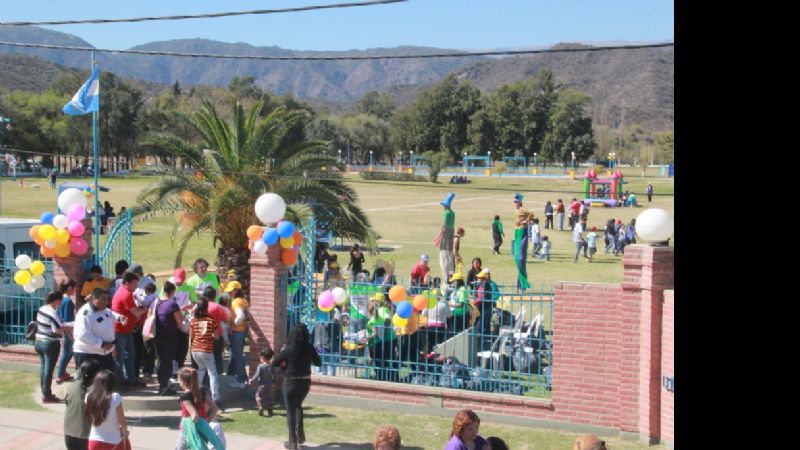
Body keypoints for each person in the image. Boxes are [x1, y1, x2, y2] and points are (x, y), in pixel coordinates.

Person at [271, 323, 322, 450]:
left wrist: (284, 364)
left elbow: (274, 363)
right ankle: (300, 435)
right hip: (305, 382)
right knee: (298, 405)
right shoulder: (309, 348)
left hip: (290, 382)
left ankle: (292, 442)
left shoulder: (288, 349)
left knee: (290, 410)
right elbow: (318, 363)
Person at [175, 367, 225, 450]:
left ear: (183, 382)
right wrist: (206, 422)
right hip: (202, 428)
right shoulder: (201, 391)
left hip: (188, 429)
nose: (179, 382)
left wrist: (191, 428)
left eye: (179, 380)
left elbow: (194, 415)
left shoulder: (185, 397)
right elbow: (214, 408)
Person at [73, 289, 122, 372]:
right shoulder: (85, 313)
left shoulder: (103, 309)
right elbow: (82, 334)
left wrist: (119, 318)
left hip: (104, 353)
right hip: (88, 354)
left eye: (107, 299)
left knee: (105, 381)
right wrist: (102, 344)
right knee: (89, 383)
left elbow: (109, 314)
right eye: (104, 299)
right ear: (94, 299)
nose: (107, 302)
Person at [111, 272, 146, 387]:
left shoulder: (126, 291)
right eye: (135, 283)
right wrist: (146, 309)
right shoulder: (126, 294)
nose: (136, 286)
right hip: (120, 330)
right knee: (120, 357)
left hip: (126, 330)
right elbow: (135, 312)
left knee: (129, 354)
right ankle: (120, 382)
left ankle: (130, 379)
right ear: (127, 283)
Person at [85, 370, 132, 450]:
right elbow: (122, 422)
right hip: (113, 442)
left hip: (94, 441)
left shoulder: (89, 396)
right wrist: (125, 434)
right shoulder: (115, 397)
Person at [189, 293, 221, 406]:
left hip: (195, 350)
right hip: (206, 350)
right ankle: (215, 397)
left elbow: (192, 336)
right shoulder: (212, 321)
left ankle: (195, 394)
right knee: (212, 373)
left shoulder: (193, 321)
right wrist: (210, 336)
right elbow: (217, 336)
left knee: (201, 370)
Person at [152, 281, 183, 396]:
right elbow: (180, 321)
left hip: (157, 335)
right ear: (173, 291)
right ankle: (165, 386)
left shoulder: (156, 302)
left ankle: (162, 384)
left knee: (160, 360)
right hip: (169, 336)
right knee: (167, 361)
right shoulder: (173, 304)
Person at [35, 291, 66, 403]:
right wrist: (65, 328)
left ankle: (44, 391)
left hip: (38, 341)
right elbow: (57, 329)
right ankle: (47, 394)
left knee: (43, 367)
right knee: (49, 369)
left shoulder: (42, 309)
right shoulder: (53, 313)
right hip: (50, 343)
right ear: (57, 301)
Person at [64, 359, 101, 450]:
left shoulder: (72, 386)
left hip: (69, 432)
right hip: (87, 434)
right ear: (97, 374)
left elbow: (67, 402)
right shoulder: (98, 390)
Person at [227, 282, 250, 388]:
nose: (229, 293)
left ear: (236, 290)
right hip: (243, 330)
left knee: (238, 356)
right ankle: (243, 377)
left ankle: (240, 381)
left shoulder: (235, 302)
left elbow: (240, 315)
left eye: (231, 291)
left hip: (237, 332)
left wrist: (233, 326)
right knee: (239, 355)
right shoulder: (243, 300)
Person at [56, 280, 78, 384]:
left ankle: (62, 372)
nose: (75, 291)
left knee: (69, 351)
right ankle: (60, 374)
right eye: (74, 288)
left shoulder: (61, 300)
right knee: (67, 351)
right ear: (70, 288)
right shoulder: (68, 301)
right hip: (68, 329)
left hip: (64, 328)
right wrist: (71, 334)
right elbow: (67, 319)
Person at [248, 349, 277, 416]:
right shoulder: (272, 366)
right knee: (269, 398)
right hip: (269, 385)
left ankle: (260, 407)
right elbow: (275, 375)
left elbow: (256, 375)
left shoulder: (260, 366)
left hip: (262, 386)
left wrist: (251, 380)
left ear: (263, 358)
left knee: (258, 396)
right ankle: (270, 411)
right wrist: (274, 381)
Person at [512, 193, 532, 290]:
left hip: (522, 231)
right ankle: (522, 283)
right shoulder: (515, 210)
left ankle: (522, 285)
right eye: (514, 201)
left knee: (520, 259)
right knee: (516, 258)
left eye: (516, 201)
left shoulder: (523, 209)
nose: (515, 203)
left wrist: (526, 221)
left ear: (519, 202)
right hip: (516, 231)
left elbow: (531, 214)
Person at [436, 192, 456, 280]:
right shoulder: (453, 213)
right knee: (449, 256)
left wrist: (439, 236)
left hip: (446, 234)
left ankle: (445, 278)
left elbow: (444, 225)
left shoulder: (447, 213)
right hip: (451, 232)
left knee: (444, 257)